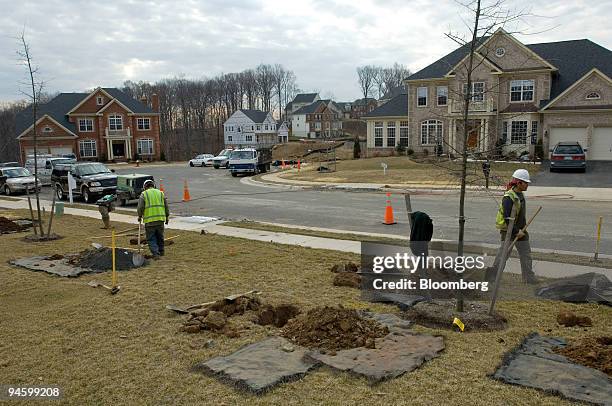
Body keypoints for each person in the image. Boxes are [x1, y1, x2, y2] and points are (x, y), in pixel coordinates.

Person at [487, 169, 537, 284]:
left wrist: (521, 231)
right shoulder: (508, 197)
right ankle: (493, 277)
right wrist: (515, 231)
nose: (527, 185)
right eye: (526, 182)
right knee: (503, 255)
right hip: (509, 231)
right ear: (519, 183)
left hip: (522, 231)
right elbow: (507, 217)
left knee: (526, 255)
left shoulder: (520, 195)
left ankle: (528, 278)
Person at [137, 180, 169, 259]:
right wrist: (167, 217)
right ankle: (161, 252)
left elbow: (140, 207)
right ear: (154, 185)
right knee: (160, 237)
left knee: (151, 238)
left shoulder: (144, 194)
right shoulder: (161, 193)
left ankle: (156, 254)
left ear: (144, 187)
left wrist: (139, 216)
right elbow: (166, 206)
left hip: (150, 221)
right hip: (160, 220)